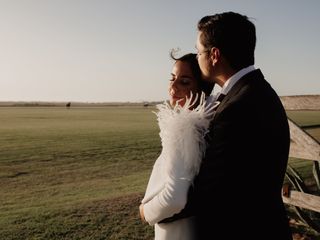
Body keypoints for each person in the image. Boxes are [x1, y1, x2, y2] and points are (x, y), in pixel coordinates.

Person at [159, 12, 293, 239]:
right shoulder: (254, 92)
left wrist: (155, 211)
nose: (197, 57)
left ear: (214, 55)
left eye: (199, 51)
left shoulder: (240, 106)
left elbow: (211, 188)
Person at [139, 52, 215, 240]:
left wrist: (145, 212)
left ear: (202, 89)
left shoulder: (182, 130)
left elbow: (175, 198)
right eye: (172, 78)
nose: (173, 86)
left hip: (174, 231)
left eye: (184, 81)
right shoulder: (203, 127)